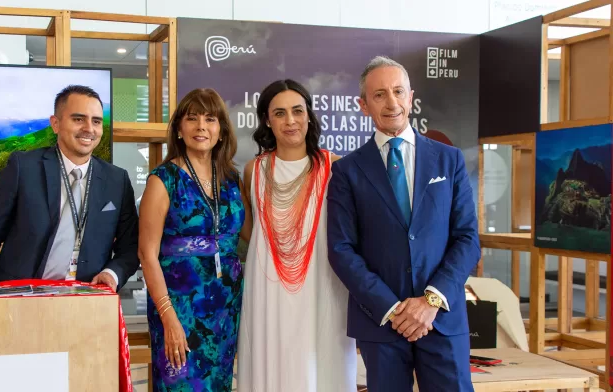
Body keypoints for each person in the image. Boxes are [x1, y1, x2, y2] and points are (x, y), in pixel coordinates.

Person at [326, 56, 481, 392]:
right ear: (363, 105)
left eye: (398, 91)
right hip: (381, 323)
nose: (391, 102)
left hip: (441, 319)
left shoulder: (449, 160)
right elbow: (341, 250)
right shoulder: (347, 171)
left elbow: (467, 238)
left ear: (411, 97)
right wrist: (393, 309)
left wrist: (430, 301)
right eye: (379, 94)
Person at [236, 79, 357, 392]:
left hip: (323, 284)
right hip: (267, 288)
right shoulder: (254, 170)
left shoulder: (335, 167)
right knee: (271, 365)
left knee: (321, 365)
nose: (290, 120)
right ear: (267, 120)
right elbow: (250, 231)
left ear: (309, 116)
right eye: (279, 113)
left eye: (297, 111)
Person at [0, 85, 140, 292]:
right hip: (21, 294)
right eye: (78, 119)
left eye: (96, 121)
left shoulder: (117, 179)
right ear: (55, 124)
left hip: (86, 296)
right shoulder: (24, 168)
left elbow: (130, 246)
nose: (89, 129)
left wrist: (111, 273)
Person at [138, 88, 250, 391]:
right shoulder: (163, 180)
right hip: (179, 306)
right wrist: (169, 318)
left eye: (210, 119)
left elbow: (251, 236)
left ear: (222, 131)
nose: (201, 126)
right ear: (179, 128)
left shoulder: (231, 180)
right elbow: (147, 255)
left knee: (219, 383)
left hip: (225, 306)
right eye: (192, 118)